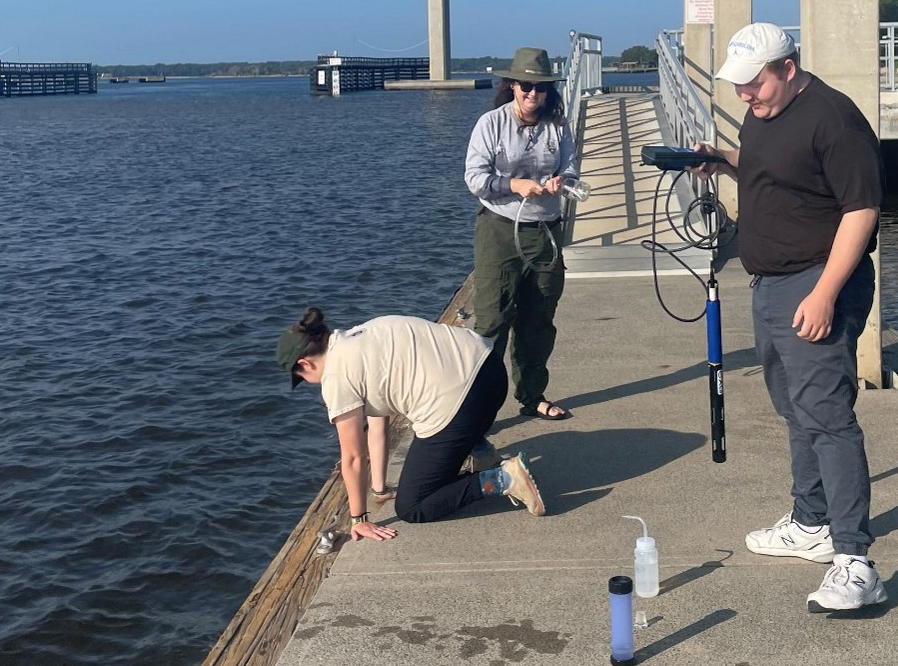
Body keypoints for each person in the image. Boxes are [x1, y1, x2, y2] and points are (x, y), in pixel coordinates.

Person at [693, 22, 887, 612]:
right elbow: (770, 167)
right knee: (795, 408)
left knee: (827, 415)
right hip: (770, 284)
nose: (744, 95)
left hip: (818, 279)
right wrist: (723, 161)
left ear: (789, 68)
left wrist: (825, 293)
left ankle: (854, 559)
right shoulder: (763, 114)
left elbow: (862, 210)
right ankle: (810, 521)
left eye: (754, 83)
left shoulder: (834, 118)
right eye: (739, 85)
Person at [275, 307, 546, 542]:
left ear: (305, 363)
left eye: (303, 378)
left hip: (464, 404)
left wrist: (359, 519)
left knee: (413, 506)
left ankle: (503, 478)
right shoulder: (363, 333)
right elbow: (378, 425)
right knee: (440, 422)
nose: (312, 383)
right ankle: (479, 451)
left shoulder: (336, 377)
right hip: (491, 373)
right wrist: (379, 489)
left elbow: (354, 458)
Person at [464, 47, 578, 421]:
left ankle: (533, 395)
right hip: (499, 229)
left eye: (541, 88)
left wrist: (565, 181)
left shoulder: (558, 127)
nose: (533, 95)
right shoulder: (490, 124)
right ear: (512, 85)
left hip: (545, 230)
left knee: (539, 317)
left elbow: (572, 169)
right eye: (526, 86)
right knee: (492, 319)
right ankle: (476, 409)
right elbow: (475, 178)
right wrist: (514, 184)